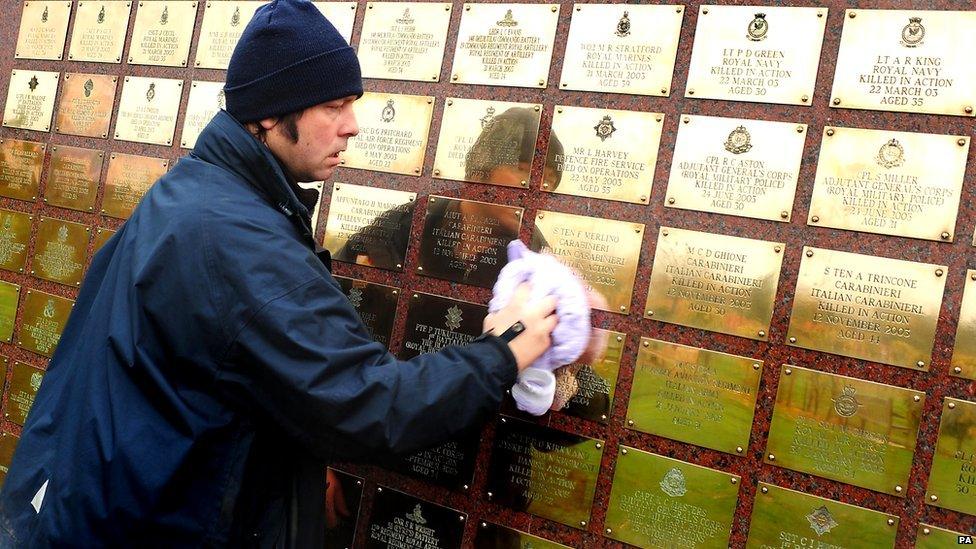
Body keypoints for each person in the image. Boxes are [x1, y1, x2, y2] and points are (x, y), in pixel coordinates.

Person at [0, 1, 561, 545]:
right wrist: (504, 350)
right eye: (333, 107)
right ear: (270, 113)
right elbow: (368, 406)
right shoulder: (238, 240)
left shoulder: (199, 192)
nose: (353, 126)